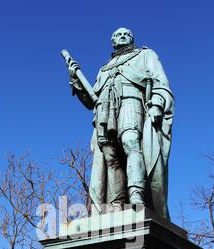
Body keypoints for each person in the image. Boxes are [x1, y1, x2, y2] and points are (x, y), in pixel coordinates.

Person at [67, 27, 174, 219]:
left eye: (126, 34)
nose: (122, 36)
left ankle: (137, 198)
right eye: (118, 35)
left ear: (132, 38)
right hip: (104, 111)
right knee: (110, 156)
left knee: (131, 143)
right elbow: (92, 101)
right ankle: (116, 204)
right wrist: (76, 80)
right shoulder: (104, 68)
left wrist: (157, 104)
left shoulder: (145, 55)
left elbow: (161, 82)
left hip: (131, 102)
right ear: (113, 41)